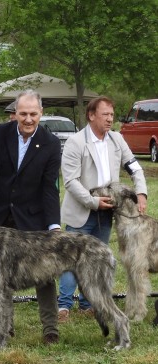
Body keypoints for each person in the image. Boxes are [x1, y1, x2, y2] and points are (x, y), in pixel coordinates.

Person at [0, 89, 61, 345]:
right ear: (15, 114)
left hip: (32, 218)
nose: (28, 119)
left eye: (33, 114)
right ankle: (3, 328)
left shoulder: (51, 143)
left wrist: (53, 225)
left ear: (41, 113)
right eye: (23, 114)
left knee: (44, 275)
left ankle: (50, 328)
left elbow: (49, 187)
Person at [58, 96, 147, 322]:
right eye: (105, 114)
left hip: (107, 213)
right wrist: (92, 201)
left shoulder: (117, 139)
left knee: (96, 259)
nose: (110, 119)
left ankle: (88, 303)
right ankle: (64, 306)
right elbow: (70, 181)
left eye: (112, 115)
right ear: (91, 115)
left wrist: (141, 193)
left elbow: (134, 168)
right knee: (71, 258)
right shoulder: (75, 142)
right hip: (82, 210)